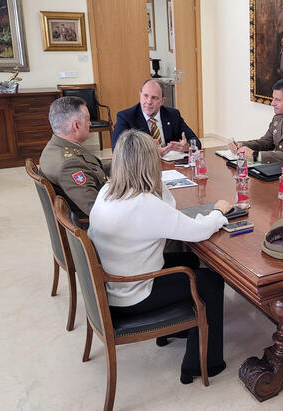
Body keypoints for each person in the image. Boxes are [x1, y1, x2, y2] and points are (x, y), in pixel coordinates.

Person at [88, 129, 233, 384]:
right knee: (211, 281)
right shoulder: (145, 204)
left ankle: (180, 328)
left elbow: (168, 211)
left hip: (114, 281)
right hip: (133, 294)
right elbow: (196, 231)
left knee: (188, 261)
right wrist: (218, 212)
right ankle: (202, 365)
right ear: (151, 164)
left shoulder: (107, 191)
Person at [40, 96, 110, 218]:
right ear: (76, 125)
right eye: (88, 120)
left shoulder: (56, 146)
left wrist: (131, 162)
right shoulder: (69, 165)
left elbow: (94, 167)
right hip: (94, 228)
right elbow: (97, 211)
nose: (90, 123)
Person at [111, 79, 201, 155]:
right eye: (145, 96)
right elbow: (117, 150)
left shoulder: (173, 115)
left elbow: (196, 142)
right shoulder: (126, 117)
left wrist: (187, 147)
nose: (148, 101)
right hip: (142, 169)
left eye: (154, 98)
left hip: (171, 167)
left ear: (163, 101)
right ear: (140, 95)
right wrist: (149, 152)